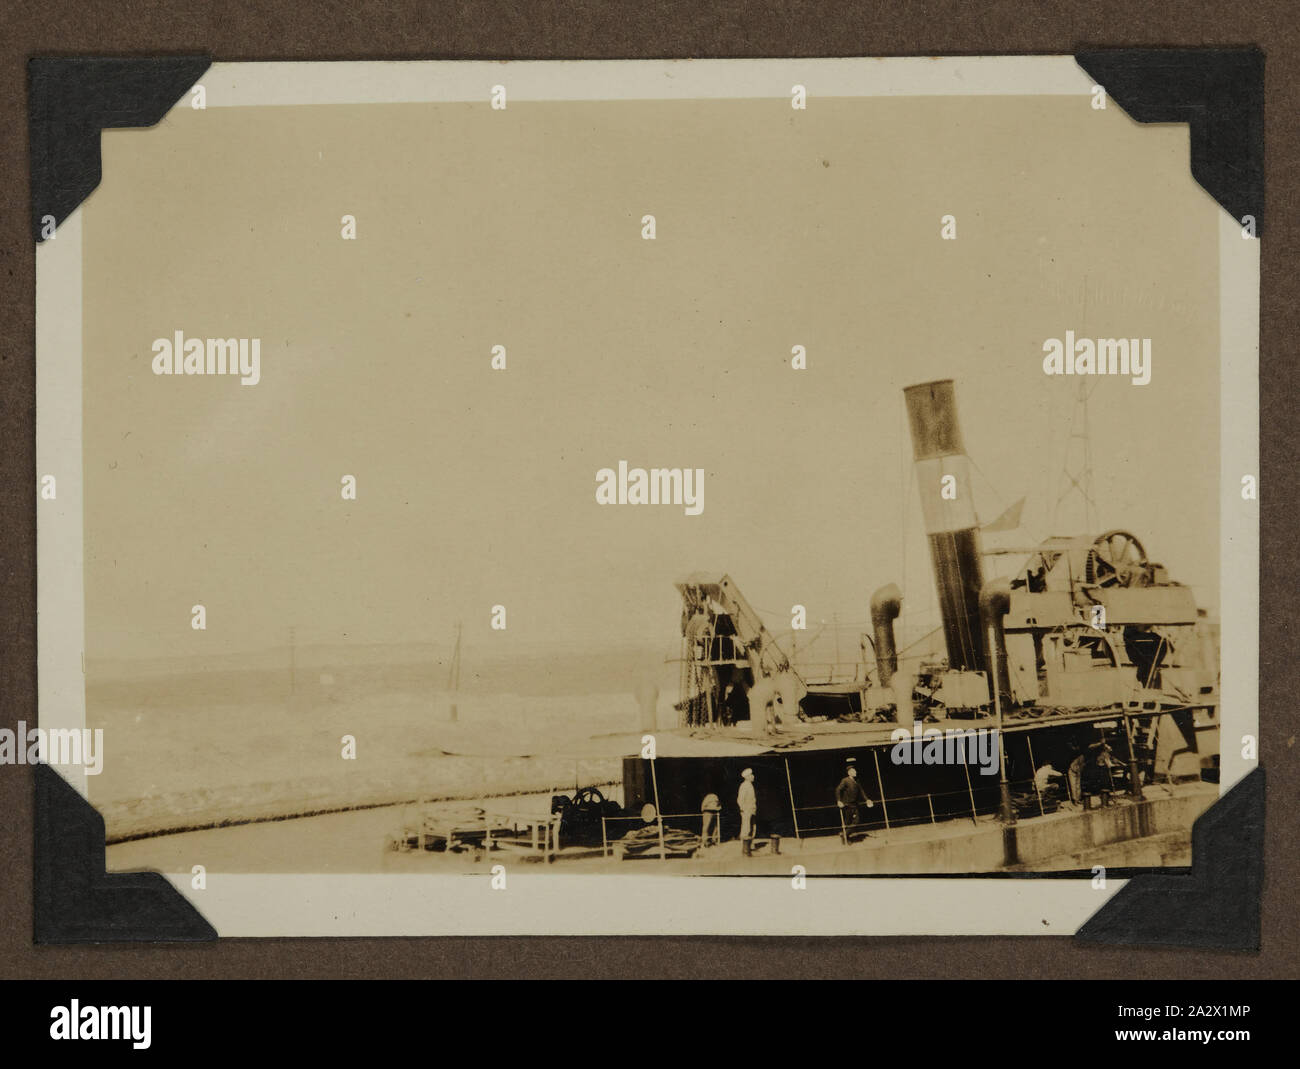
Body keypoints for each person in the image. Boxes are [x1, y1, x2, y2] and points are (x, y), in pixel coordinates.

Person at [835, 760, 875, 842]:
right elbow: (838, 789)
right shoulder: (845, 780)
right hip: (847, 804)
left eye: (855, 770)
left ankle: (844, 835)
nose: (856, 772)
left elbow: (861, 791)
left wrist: (867, 799)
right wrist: (839, 801)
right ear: (849, 773)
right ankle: (846, 837)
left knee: (856, 821)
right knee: (848, 822)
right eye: (854, 771)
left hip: (855, 804)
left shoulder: (857, 781)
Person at [737, 768, 757, 855]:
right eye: (751, 775)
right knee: (746, 828)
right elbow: (740, 799)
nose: (753, 776)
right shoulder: (744, 785)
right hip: (746, 810)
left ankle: (750, 845)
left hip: (752, 810)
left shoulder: (750, 785)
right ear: (747, 777)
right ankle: (744, 846)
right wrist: (743, 809)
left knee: (753, 827)